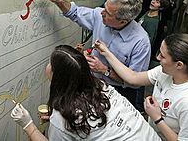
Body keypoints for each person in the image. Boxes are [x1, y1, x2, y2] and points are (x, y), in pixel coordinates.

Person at [10, 45, 162, 140]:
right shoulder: (100, 85)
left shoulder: (61, 119)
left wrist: (28, 124)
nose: (47, 65)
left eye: (51, 64)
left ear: (58, 76)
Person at [43, 0, 151, 112]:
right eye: (104, 7)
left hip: (120, 93)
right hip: (93, 86)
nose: (102, 13)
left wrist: (105, 70)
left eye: (108, 13)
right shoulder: (100, 15)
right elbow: (75, 12)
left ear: (122, 21)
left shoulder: (141, 42)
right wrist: (58, 1)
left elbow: (135, 82)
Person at [94, 33, 188, 140]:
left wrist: (157, 118)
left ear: (179, 65)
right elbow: (133, 77)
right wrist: (106, 53)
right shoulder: (165, 72)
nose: (158, 58)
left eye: (163, 56)